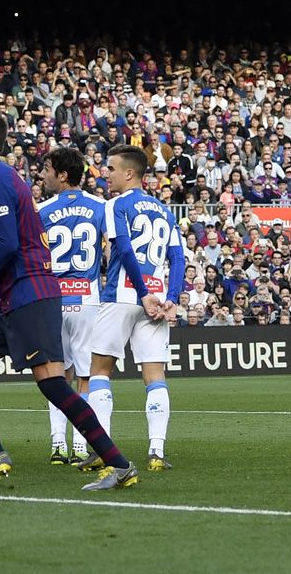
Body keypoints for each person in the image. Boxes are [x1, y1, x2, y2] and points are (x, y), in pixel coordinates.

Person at [0, 108, 143, 491]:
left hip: (30, 294)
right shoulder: (0, 179)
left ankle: (118, 464)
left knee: (53, 383)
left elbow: (8, 245)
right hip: (16, 297)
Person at [84, 143, 184, 472]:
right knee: (155, 377)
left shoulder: (116, 205)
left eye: (110, 168)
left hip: (124, 296)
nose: (104, 174)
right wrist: (170, 296)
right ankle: (156, 451)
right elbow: (178, 258)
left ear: (129, 173)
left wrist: (141, 292)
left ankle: (103, 450)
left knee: (99, 371)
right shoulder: (164, 210)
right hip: (157, 299)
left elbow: (125, 250)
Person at [37, 145, 108, 465]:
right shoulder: (100, 207)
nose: (41, 175)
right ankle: (81, 444)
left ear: (62, 175)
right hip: (87, 298)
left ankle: (56, 445)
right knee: (85, 375)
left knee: (56, 374)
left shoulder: (42, 210)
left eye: (47, 170)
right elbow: (110, 250)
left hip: (53, 298)